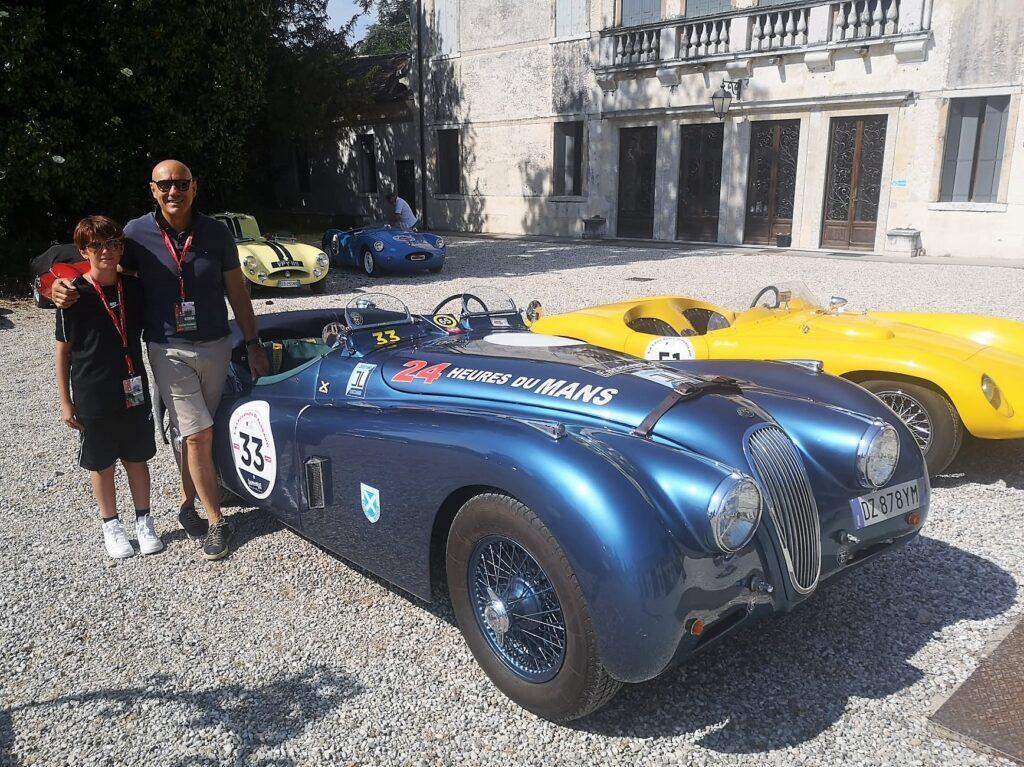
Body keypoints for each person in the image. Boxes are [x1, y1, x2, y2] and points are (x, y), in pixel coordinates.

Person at [52, 160, 269, 561]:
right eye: (165, 184)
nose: (174, 191)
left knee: (194, 433)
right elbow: (98, 259)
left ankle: (186, 506)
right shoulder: (135, 232)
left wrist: (252, 341)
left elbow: (237, 292)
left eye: (182, 183)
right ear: (153, 189)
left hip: (216, 345)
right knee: (199, 432)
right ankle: (216, 521)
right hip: (167, 348)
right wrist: (58, 286)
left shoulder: (216, 232)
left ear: (194, 186)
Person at [55, 216, 162, 560]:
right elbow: (63, 351)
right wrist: (66, 402)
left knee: (137, 457)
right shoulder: (73, 295)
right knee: (102, 463)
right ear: (84, 251)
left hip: (134, 386)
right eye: (97, 245)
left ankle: (144, 521)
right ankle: (111, 525)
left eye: (113, 244)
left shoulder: (133, 288)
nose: (107, 251)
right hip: (93, 392)